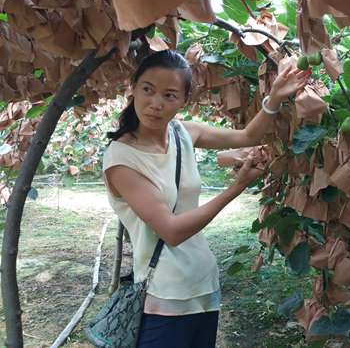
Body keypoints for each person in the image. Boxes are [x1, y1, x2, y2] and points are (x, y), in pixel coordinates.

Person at [102, 49, 309, 348]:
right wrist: (235, 188)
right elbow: (171, 231)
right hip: (166, 293)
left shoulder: (183, 133)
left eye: (170, 95)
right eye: (147, 89)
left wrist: (275, 97)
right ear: (133, 88)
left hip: (203, 283)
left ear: (184, 100)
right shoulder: (121, 158)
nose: (156, 103)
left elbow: (248, 136)